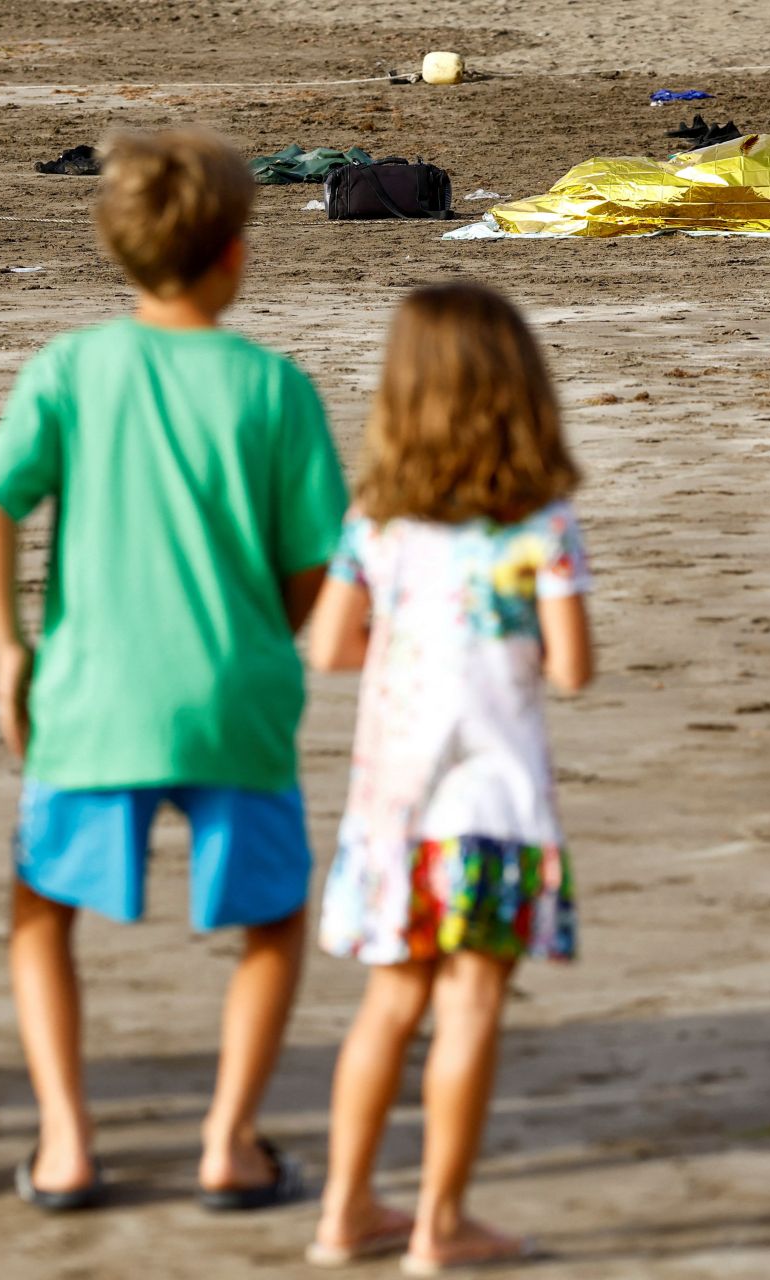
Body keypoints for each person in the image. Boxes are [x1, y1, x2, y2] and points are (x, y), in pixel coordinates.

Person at [0, 127, 349, 1212]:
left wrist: (8, 643)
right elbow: (317, 563)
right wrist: (270, 630)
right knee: (272, 919)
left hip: (93, 698)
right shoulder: (275, 387)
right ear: (234, 253)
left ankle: (65, 1141)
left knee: (42, 906)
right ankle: (229, 1141)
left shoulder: (71, 367)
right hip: (236, 691)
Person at [303, 283, 595, 1273]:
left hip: (394, 809)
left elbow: (329, 647)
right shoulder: (540, 525)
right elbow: (572, 666)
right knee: (470, 1007)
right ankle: (440, 1223)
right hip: (495, 808)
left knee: (390, 1004)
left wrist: (408, 639)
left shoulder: (375, 522)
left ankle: (344, 1210)